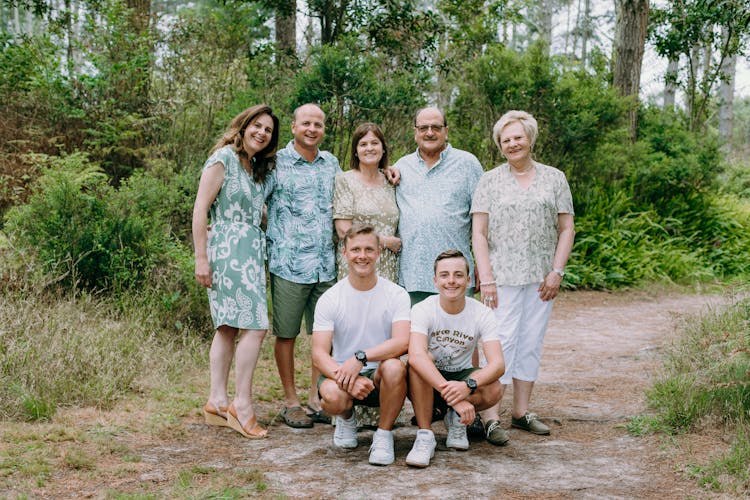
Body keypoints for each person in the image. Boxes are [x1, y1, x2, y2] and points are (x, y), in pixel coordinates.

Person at [471, 110, 575, 442]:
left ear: (530, 138)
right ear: (500, 145)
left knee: (530, 342)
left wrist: (557, 271)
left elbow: (566, 228)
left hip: (541, 279)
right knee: (499, 343)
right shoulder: (489, 180)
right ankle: (490, 417)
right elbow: (479, 234)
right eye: (506, 140)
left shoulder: (554, 178)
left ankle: (520, 412)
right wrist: (485, 276)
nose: (513, 144)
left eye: (518, 137)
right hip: (499, 279)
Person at [192, 104, 280, 439]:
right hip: (227, 251)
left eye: (268, 130)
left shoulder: (256, 168)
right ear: (242, 127)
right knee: (256, 327)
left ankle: (216, 400)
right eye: (256, 126)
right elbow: (200, 209)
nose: (261, 133)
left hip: (251, 251)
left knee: (229, 325)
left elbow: (256, 212)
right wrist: (201, 258)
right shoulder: (223, 159)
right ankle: (241, 404)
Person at [265, 103, 342, 428]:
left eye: (318, 124)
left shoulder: (331, 163)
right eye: (306, 123)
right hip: (288, 263)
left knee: (323, 334)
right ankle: (291, 400)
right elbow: (256, 199)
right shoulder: (274, 163)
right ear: (294, 127)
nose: (312, 129)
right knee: (286, 334)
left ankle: (316, 397)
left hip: (326, 264)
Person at [311, 224, 411, 466]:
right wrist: (348, 377)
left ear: (378, 253)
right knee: (333, 397)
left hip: (380, 375)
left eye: (369, 249)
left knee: (395, 368)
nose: (362, 256)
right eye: (355, 249)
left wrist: (361, 357)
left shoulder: (396, 294)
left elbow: (402, 341)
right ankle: (346, 419)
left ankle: (384, 434)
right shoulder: (330, 298)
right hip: (343, 373)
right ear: (344, 254)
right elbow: (318, 353)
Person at [405, 250, 505, 468]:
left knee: (494, 388)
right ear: (435, 280)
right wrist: (454, 396)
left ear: (469, 280)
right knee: (418, 365)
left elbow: (498, 364)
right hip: (429, 383)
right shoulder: (422, 309)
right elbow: (416, 355)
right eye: (444, 275)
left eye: (458, 275)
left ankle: (455, 420)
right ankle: (425, 435)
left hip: (461, 377)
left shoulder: (482, 313)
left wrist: (468, 386)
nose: (451, 281)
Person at [389, 107, 483, 306]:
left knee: (458, 335)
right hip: (412, 275)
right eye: (423, 127)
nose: (429, 132)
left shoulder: (468, 164)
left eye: (436, 127)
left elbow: (482, 220)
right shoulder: (401, 167)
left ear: (446, 131)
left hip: (455, 276)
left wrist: (483, 266)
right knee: (415, 336)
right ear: (415, 132)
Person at [333, 123, 400, 282]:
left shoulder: (391, 181)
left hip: (388, 266)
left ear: (383, 149)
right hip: (358, 262)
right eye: (363, 144)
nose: (369, 148)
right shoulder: (345, 180)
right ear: (356, 151)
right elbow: (343, 230)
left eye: (375, 143)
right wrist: (385, 242)